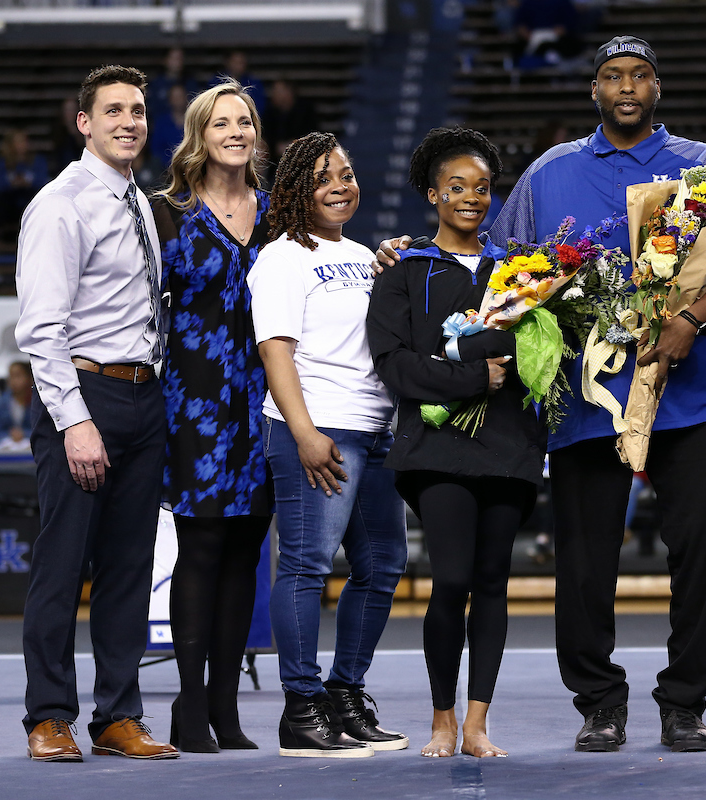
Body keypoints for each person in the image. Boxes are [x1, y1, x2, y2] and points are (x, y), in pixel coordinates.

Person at [379, 35, 706, 755]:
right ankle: (599, 702)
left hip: (691, 388)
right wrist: (406, 251)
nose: (627, 87)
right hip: (585, 398)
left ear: (656, 87)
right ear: (594, 90)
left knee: (700, 552)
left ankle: (684, 704)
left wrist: (686, 320)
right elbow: (496, 267)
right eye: (613, 75)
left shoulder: (705, 167)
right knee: (583, 558)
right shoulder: (551, 172)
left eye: (641, 75)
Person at [15, 65, 176, 762]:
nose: (128, 121)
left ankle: (118, 715)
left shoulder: (138, 200)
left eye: (137, 110)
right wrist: (75, 420)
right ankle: (49, 716)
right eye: (112, 110)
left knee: (128, 568)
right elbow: (40, 330)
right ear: (84, 122)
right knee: (61, 564)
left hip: (145, 396)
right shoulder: (62, 203)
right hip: (85, 397)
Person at [368, 127, 542, 759]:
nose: (472, 197)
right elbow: (396, 366)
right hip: (436, 452)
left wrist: (486, 358)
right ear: (434, 194)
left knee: (493, 581)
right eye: (457, 187)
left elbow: (534, 352)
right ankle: (442, 717)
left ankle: (477, 723)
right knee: (452, 579)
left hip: (510, 447)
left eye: (482, 187)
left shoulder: (522, 274)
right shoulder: (403, 271)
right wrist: (476, 374)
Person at [248, 132, 408, 758]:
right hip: (318, 431)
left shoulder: (366, 253)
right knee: (308, 567)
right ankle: (301, 708)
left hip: (375, 429)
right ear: (295, 192)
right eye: (323, 178)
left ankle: (345, 696)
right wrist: (305, 431)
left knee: (383, 566)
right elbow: (275, 351)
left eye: (345, 172)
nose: (340, 185)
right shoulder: (282, 257)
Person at [150, 81, 273, 753]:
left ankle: (227, 709)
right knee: (199, 550)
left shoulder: (279, 212)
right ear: (199, 135)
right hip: (193, 402)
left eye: (245, 120)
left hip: (261, 403)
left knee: (244, 553)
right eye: (222, 121)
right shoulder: (166, 210)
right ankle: (189, 706)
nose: (235, 130)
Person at [0, 128, 49, 242]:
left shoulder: (37, 160)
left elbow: (43, 181)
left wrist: (27, 182)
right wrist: (13, 183)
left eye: (24, 141)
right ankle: (3, 238)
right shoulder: (3, 162)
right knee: (3, 200)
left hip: (30, 198)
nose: (22, 145)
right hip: (11, 201)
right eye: (18, 142)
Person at [260, 78, 319, 162]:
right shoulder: (270, 112)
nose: (274, 94)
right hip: (274, 161)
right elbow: (266, 137)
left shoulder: (305, 111)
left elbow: (312, 137)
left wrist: (292, 145)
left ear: (289, 92)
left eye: (278, 91)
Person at [0, 360, 34, 449]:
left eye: (18, 376)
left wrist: (24, 434)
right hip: (6, 445)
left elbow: (42, 431)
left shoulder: (37, 403)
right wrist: (10, 436)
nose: (13, 381)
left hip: (30, 446)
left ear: (29, 378)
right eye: (11, 376)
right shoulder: (0, 402)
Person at [147, 46, 200, 120]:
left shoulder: (190, 83)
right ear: (165, 60)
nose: (177, 62)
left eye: (179, 58)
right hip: (161, 125)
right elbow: (152, 108)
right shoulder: (156, 84)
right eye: (174, 58)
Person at [149, 82, 187, 170]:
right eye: (175, 97)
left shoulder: (194, 121)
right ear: (170, 99)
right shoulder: (161, 122)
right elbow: (156, 149)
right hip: (165, 169)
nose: (177, 100)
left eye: (180, 96)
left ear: (186, 97)